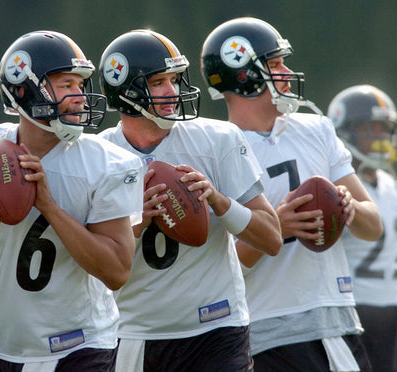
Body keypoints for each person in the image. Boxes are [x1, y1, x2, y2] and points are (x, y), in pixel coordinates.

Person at [201, 17, 383, 371]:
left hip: (333, 318)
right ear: (244, 75)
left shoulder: (315, 129)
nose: (287, 71)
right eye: (275, 64)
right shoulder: (212, 149)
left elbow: (372, 225)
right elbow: (215, 271)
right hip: (262, 327)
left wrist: (348, 208)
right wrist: (273, 230)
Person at [98, 29, 282, 372]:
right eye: (158, 82)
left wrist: (218, 201)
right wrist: (136, 221)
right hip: (137, 333)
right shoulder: (99, 156)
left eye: (175, 79)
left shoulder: (217, 139)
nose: (173, 91)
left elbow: (271, 238)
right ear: (125, 91)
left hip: (217, 329)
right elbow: (95, 268)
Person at [0, 30, 143, 371]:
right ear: (24, 88)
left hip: (80, 347)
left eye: (80, 86)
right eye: (66, 85)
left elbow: (117, 270)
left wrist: (48, 206)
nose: (79, 97)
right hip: (1, 347)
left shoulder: (107, 163)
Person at [327, 84, 397, 371]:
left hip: (392, 306)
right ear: (346, 130)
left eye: (385, 129)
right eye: (372, 128)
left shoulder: (391, 183)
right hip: (354, 306)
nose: (381, 137)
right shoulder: (334, 187)